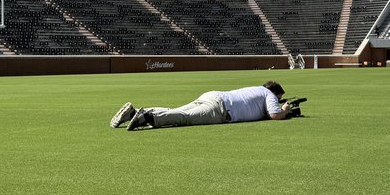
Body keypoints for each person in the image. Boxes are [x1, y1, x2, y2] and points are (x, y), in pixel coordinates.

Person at [110, 81, 294, 131]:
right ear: (275, 92)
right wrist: (285, 110)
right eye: (279, 98)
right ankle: (146, 118)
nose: (278, 100)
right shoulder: (269, 94)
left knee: (177, 111)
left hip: (213, 95)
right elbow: (274, 115)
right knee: (185, 118)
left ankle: (134, 113)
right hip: (222, 109)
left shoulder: (256, 89)